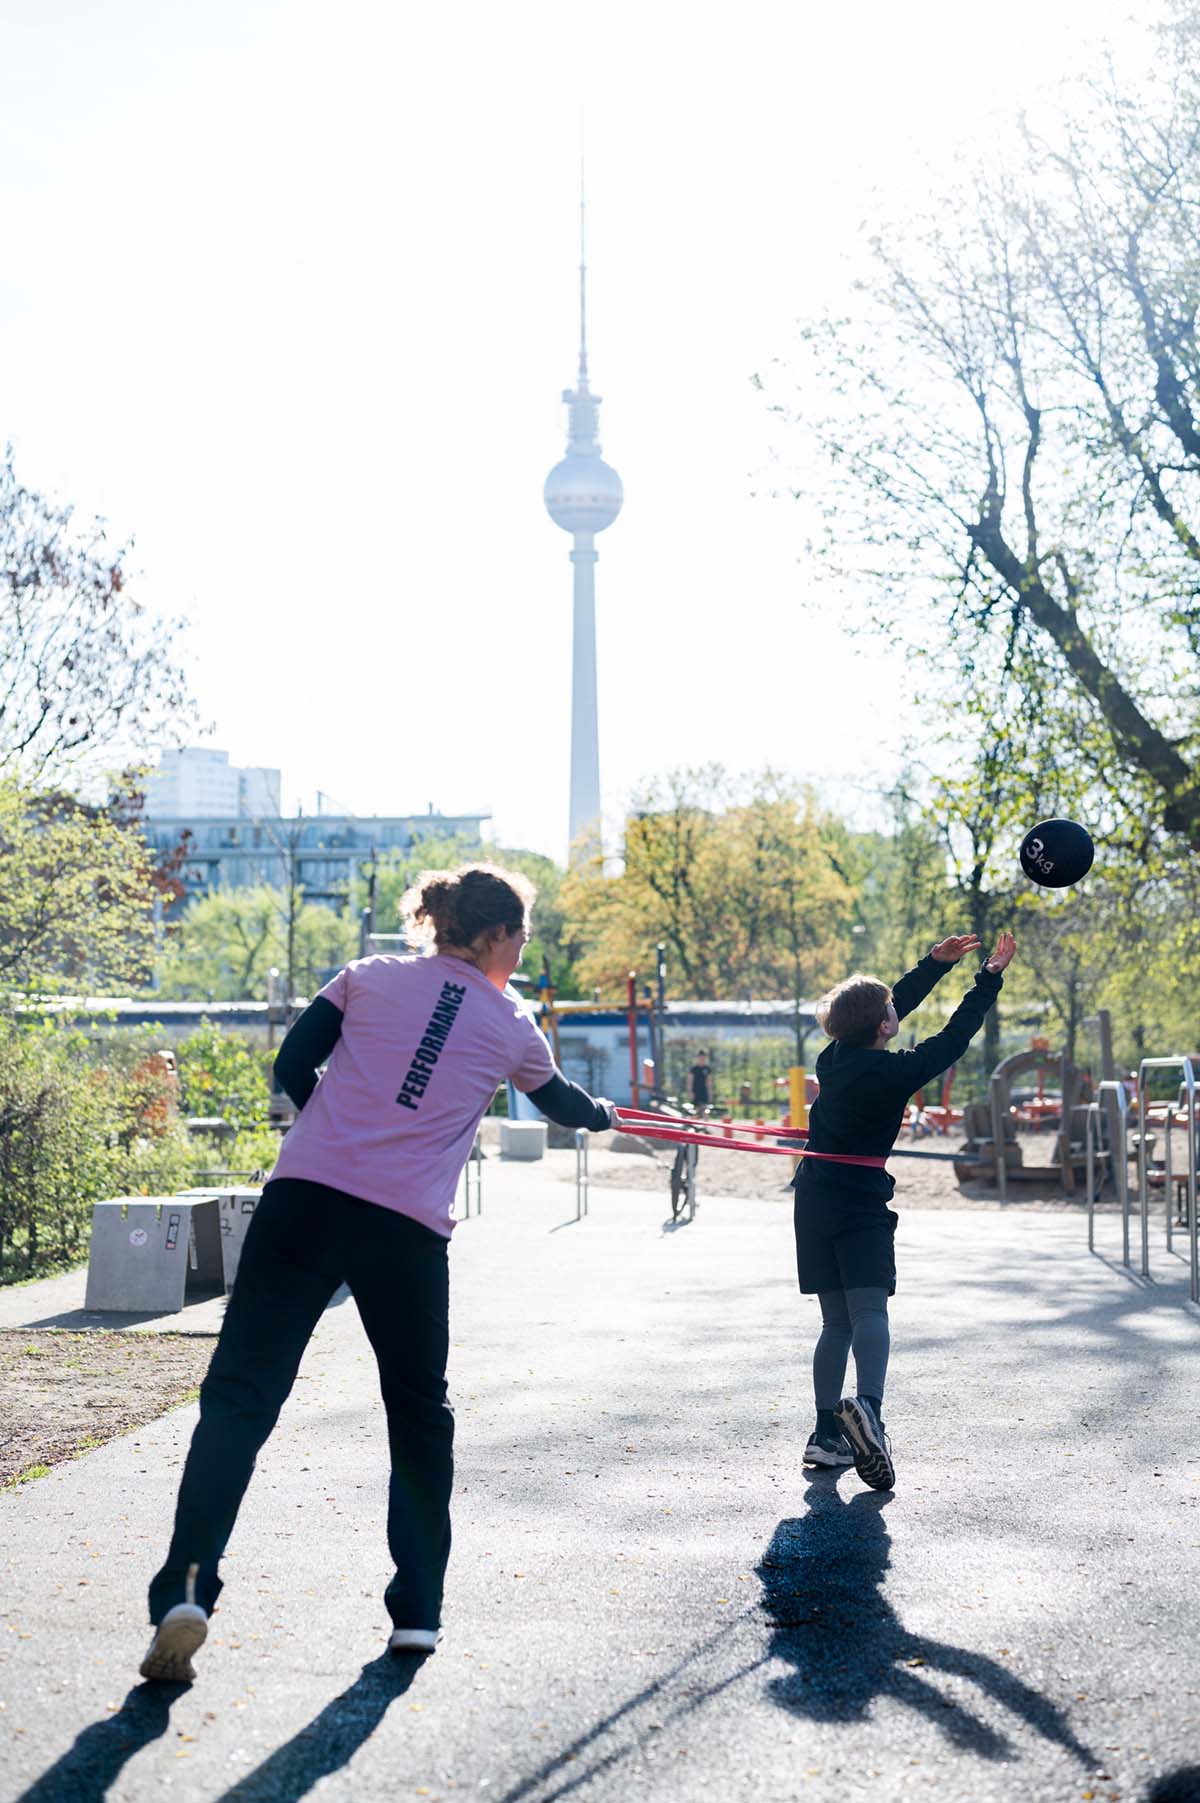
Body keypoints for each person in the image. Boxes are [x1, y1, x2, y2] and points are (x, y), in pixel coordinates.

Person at [141, 864, 615, 1683]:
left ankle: (187, 1588)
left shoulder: (366, 976)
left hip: (303, 1203)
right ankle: (418, 1613)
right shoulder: (511, 1021)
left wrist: (332, 1120)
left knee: (240, 1398)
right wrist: (608, 1114)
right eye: (522, 938)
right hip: (401, 1232)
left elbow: (292, 1064)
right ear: (498, 935)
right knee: (418, 1416)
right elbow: (563, 1104)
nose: (521, 952)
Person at [796, 930, 1017, 1490]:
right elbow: (953, 1037)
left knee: (834, 1321)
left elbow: (873, 1012)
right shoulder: (896, 1073)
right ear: (883, 1028)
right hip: (860, 1199)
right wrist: (986, 979)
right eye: (891, 1012)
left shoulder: (832, 1057)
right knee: (870, 1312)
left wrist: (933, 966)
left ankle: (825, 1435)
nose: (896, 1012)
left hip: (814, 1196)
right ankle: (868, 1408)